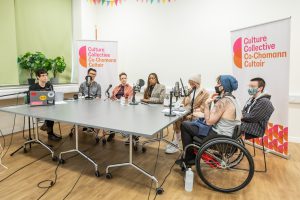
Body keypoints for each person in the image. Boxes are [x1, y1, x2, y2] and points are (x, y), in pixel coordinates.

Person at [176, 75, 242, 165]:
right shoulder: (234, 99)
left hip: (219, 136)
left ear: (224, 86)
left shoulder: (223, 102)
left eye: (218, 83)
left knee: (185, 125)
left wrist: (207, 104)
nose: (216, 85)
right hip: (228, 134)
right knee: (192, 124)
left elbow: (209, 121)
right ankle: (191, 154)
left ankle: (189, 158)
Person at [165, 74, 209, 154]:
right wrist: (181, 105)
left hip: (196, 114)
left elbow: (203, 108)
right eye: (190, 83)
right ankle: (177, 142)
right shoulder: (189, 90)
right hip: (185, 111)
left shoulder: (205, 93)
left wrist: (192, 112)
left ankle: (186, 145)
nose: (191, 85)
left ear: (197, 83)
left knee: (186, 122)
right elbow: (183, 102)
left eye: (192, 83)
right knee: (177, 119)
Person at [29, 68, 62, 141]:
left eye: (46, 75)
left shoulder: (49, 85)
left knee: (52, 111)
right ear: (38, 77)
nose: (45, 77)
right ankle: (50, 133)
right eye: (43, 75)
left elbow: (52, 96)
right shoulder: (33, 87)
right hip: (37, 109)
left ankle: (47, 126)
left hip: (48, 108)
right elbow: (29, 100)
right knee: (50, 114)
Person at [107, 72, 133, 142]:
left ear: (126, 79)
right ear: (120, 79)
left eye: (125, 78)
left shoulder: (130, 88)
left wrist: (123, 99)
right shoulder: (116, 87)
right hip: (116, 106)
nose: (124, 80)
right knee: (112, 116)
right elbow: (112, 97)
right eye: (122, 78)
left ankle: (125, 132)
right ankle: (112, 133)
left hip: (125, 106)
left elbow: (129, 98)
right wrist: (113, 98)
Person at [79, 68, 101, 133]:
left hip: (93, 105)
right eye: (91, 73)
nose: (92, 75)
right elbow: (80, 95)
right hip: (84, 104)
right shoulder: (82, 84)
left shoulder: (97, 85)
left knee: (92, 108)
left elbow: (98, 96)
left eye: (94, 74)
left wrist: (94, 101)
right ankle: (85, 125)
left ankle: (91, 126)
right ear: (88, 74)